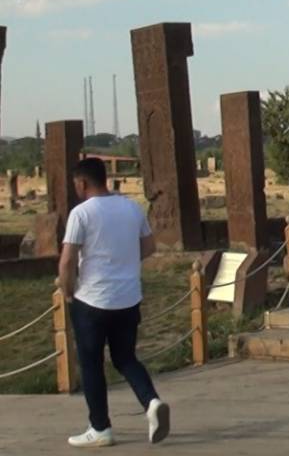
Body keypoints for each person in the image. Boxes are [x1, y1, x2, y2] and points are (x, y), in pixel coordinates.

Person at [56, 157, 169, 448]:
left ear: (81, 183)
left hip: (92, 299)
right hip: (128, 298)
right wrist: (125, 263)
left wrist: (68, 290)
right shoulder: (131, 207)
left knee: (91, 364)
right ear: (105, 178)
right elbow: (149, 246)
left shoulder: (81, 214)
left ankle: (100, 428)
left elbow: (68, 260)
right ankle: (152, 402)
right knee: (125, 358)